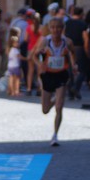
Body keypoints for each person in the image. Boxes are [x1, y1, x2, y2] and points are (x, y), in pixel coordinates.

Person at [33, 17, 77, 147]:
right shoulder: (45, 41)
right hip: (47, 75)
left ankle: (55, 135)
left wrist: (74, 65)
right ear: (50, 28)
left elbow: (73, 54)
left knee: (59, 107)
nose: (56, 30)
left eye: (58, 27)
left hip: (61, 75)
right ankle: (55, 99)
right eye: (53, 27)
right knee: (45, 110)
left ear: (62, 29)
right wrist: (40, 63)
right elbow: (34, 56)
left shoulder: (67, 42)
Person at [64, 6, 88, 100]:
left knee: (70, 70)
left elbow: (64, 34)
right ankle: (76, 87)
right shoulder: (82, 23)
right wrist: (87, 49)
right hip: (79, 47)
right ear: (81, 14)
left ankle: (70, 91)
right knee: (82, 70)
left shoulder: (68, 22)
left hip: (69, 47)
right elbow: (85, 37)